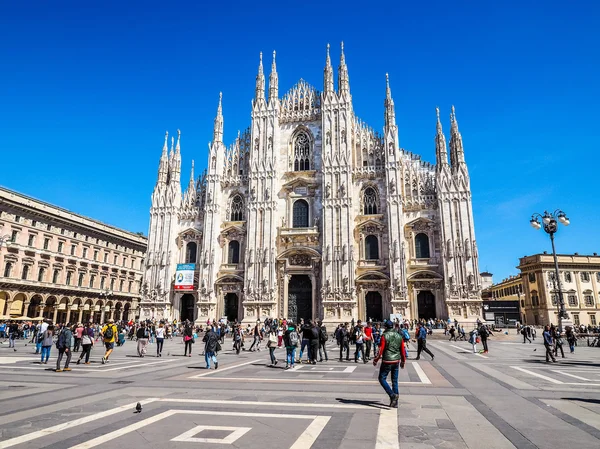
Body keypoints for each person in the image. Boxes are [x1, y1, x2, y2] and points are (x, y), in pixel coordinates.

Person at [373, 320, 406, 407]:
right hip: (396, 361)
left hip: (387, 360)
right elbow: (402, 350)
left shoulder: (384, 336)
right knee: (394, 381)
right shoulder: (399, 336)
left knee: (381, 378)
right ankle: (395, 403)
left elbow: (380, 350)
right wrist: (403, 361)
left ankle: (392, 395)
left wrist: (375, 360)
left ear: (386, 327)